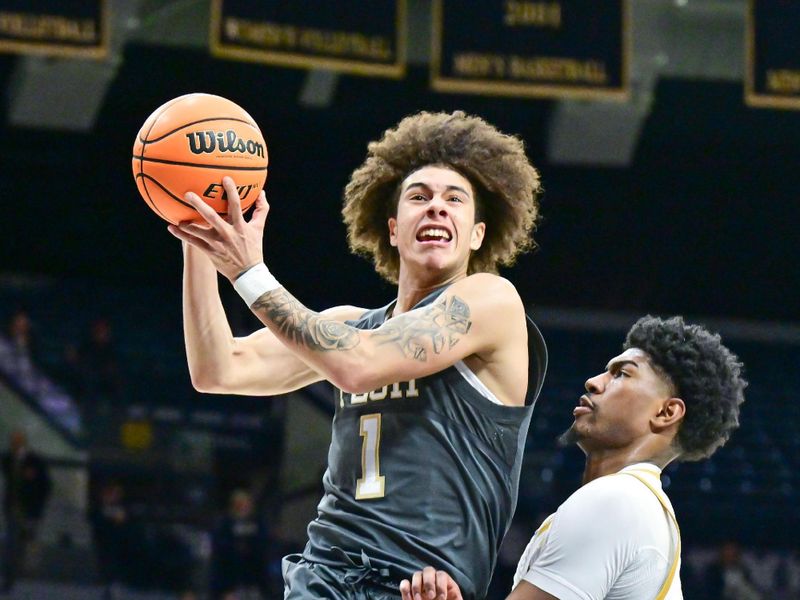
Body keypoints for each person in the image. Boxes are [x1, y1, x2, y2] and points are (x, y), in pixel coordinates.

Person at [168, 110, 547, 599]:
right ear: (391, 229)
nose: (436, 208)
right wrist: (197, 233)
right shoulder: (352, 324)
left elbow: (357, 365)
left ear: (477, 234)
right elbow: (218, 369)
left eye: (455, 200)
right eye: (419, 197)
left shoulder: (491, 301)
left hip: (419, 587)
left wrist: (249, 272)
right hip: (323, 576)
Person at [399, 315, 747, 600]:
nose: (594, 382)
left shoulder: (617, 502)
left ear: (666, 412)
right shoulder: (639, 505)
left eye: (621, 374)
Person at [1, 430, 52, 593]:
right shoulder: (8, 459)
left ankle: (27, 576)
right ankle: (10, 579)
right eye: (13, 441)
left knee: (28, 544)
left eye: (17, 442)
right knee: (12, 545)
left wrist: (38, 506)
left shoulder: (35, 461)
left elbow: (45, 486)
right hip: (13, 510)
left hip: (29, 511)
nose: (14, 445)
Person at [209, 489, 269, 599]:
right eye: (239, 505)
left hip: (253, 581)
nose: (243, 508)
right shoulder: (225, 526)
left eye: (246, 504)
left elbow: (263, 551)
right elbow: (220, 557)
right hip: (230, 580)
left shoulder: (258, 524)